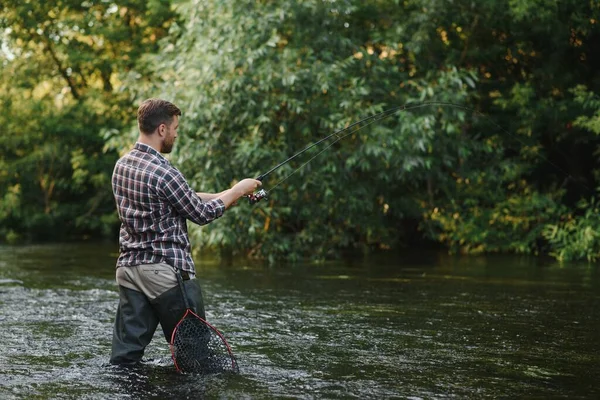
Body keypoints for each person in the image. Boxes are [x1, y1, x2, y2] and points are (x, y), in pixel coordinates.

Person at [109, 98, 261, 365]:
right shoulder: (165, 172)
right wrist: (237, 190)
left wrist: (228, 195)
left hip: (129, 271)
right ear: (162, 129)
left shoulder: (122, 166)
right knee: (196, 359)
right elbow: (200, 214)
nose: (177, 133)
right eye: (176, 127)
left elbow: (183, 199)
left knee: (125, 360)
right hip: (165, 274)